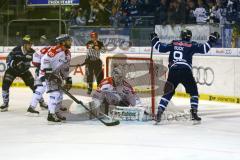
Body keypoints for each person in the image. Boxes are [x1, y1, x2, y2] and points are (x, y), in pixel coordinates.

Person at [150, 29, 220, 123]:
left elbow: (159, 47)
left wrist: (154, 38)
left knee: (168, 93)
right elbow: (204, 49)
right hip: (186, 71)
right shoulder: (192, 44)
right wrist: (212, 40)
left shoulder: (174, 43)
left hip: (173, 71)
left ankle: (159, 113)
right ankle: (194, 113)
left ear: (181, 36)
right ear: (190, 36)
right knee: (194, 92)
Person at [40, 34, 72, 123]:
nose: (70, 42)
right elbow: (44, 60)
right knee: (55, 94)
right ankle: (51, 114)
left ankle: (56, 112)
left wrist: (67, 79)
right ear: (63, 42)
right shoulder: (55, 50)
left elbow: (65, 68)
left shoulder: (68, 53)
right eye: (68, 40)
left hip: (55, 74)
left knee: (60, 94)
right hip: (46, 74)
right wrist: (48, 72)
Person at [0, 35, 36, 112]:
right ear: (24, 44)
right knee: (5, 85)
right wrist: (15, 64)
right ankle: (5, 104)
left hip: (25, 71)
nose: (30, 45)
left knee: (35, 87)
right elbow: (8, 59)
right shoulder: (16, 50)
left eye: (31, 44)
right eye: (29, 44)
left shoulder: (33, 52)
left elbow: (39, 61)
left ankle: (42, 102)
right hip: (12, 71)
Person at [26, 46, 51, 115]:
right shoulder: (48, 49)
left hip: (51, 71)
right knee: (40, 88)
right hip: (42, 71)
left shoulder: (59, 50)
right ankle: (31, 108)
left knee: (55, 90)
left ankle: (56, 105)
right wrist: (41, 66)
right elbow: (35, 58)